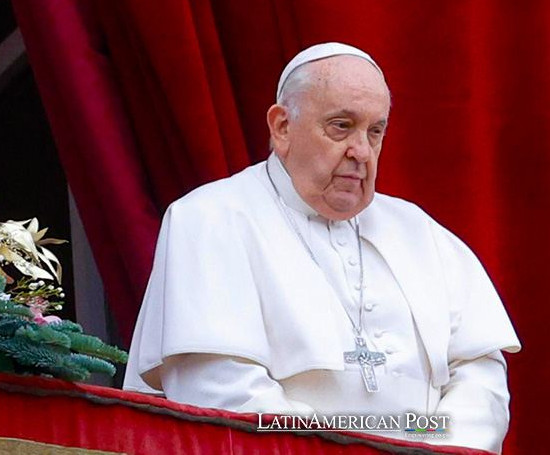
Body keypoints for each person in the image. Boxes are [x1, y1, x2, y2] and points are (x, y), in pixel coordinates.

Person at [123, 42, 521, 453]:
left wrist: (435, 449)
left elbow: (481, 379)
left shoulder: (419, 231)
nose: (361, 152)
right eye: (341, 126)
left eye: (375, 131)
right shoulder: (209, 218)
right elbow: (221, 390)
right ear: (281, 127)